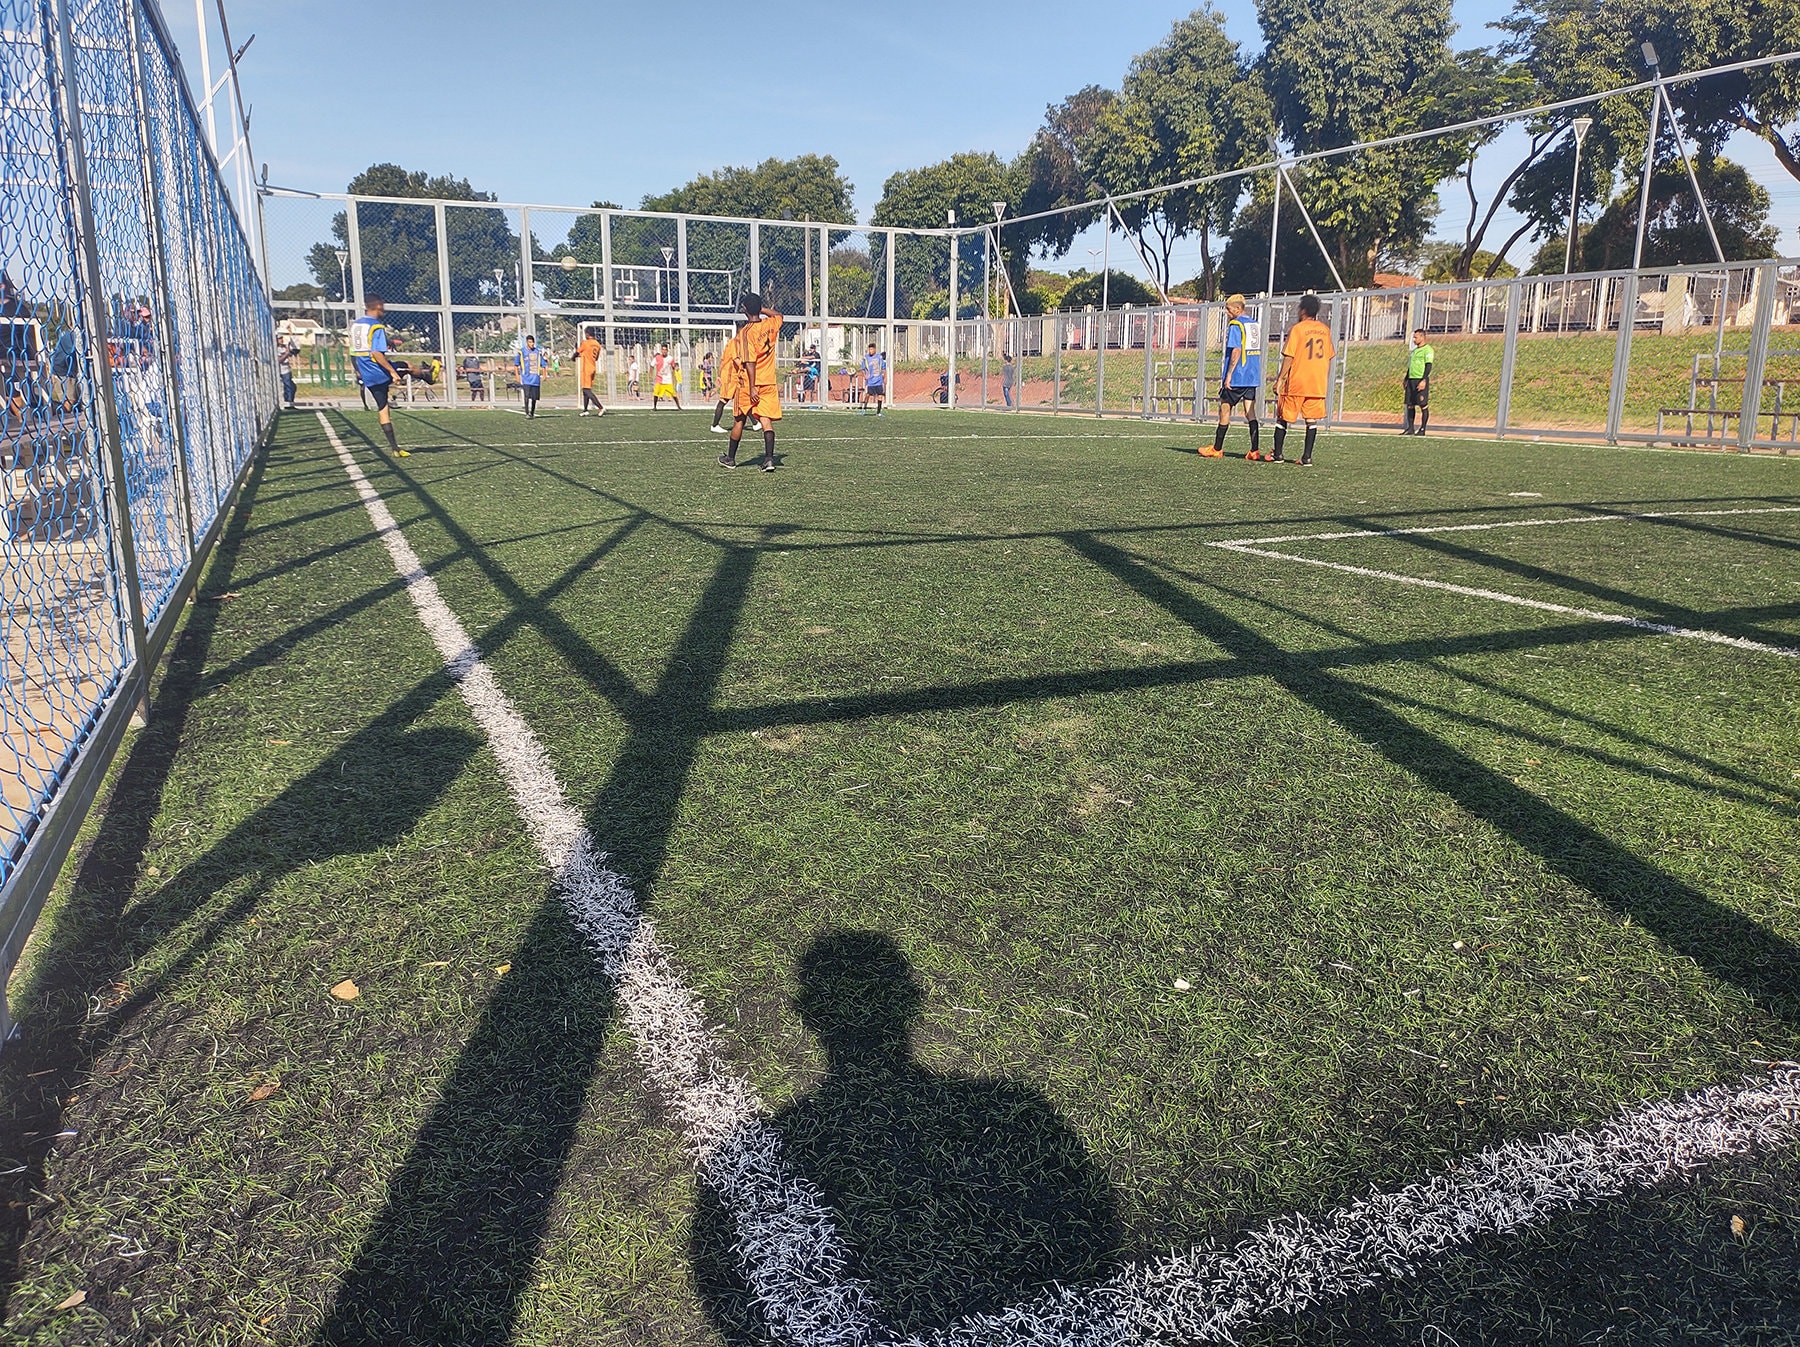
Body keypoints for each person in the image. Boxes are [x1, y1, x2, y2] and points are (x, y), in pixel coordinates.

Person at [719, 292, 782, 472]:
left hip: (749, 384)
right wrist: (762, 309)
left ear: (744, 309)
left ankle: (730, 458)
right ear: (759, 308)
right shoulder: (770, 323)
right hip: (768, 381)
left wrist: (753, 386)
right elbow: (779, 315)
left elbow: (750, 362)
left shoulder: (746, 332)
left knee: (739, 419)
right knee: (765, 419)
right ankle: (769, 459)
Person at [1273, 293, 1335, 467]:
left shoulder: (1298, 329)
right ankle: (1307, 457)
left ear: (1303, 310)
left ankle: (1278, 454)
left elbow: (1289, 356)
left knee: (1283, 417)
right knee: (1311, 420)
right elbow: (1329, 356)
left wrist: (1280, 379)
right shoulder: (1325, 330)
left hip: (1297, 381)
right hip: (1317, 383)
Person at [1203, 293, 1261, 459]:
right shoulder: (1254, 324)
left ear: (1237, 308)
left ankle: (1217, 448)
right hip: (1252, 374)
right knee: (1250, 412)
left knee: (1224, 409)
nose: (1226, 312)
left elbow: (1236, 350)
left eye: (1228, 309)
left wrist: (1229, 375)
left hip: (1238, 375)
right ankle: (1254, 450)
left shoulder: (1235, 324)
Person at [348, 296, 407, 457]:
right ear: (379, 306)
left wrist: (358, 369)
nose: (385, 310)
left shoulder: (356, 325)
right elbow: (376, 353)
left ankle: (395, 448)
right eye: (383, 306)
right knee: (408, 366)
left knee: (383, 407)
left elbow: (353, 351)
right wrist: (392, 372)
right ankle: (428, 377)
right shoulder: (376, 327)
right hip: (378, 370)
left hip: (366, 372)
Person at [712, 315, 750, 434]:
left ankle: (755, 423)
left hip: (735, 375)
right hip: (729, 375)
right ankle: (714, 425)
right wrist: (748, 368)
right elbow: (736, 360)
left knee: (743, 396)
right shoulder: (735, 343)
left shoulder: (740, 342)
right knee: (724, 399)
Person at [1402, 329, 1434, 436]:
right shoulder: (1414, 351)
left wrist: (1423, 380)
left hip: (1420, 380)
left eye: (1416, 337)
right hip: (1411, 380)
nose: (1414, 339)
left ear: (1422, 337)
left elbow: (1428, 366)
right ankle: (1410, 428)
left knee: (1422, 404)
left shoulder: (1428, 350)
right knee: (1410, 404)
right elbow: (1410, 366)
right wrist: (1406, 378)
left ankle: (1422, 429)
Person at [516, 334, 548, 418]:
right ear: (527, 342)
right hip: (526, 378)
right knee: (526, 395)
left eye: (533, 342)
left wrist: (544, 375)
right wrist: (517, 375)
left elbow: (544, 365)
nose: (532, 344)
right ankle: (527, 413)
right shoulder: (522, 352)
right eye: (530, 342)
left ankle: (532, 412)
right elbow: (516, 364)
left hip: (535, 379)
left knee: (534, 397)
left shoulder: (538, 352)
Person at [576, 329, 606, 415]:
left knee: (586, 389)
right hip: (593, 367)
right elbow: (595, 358)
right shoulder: (597, 344)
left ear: (587, 334)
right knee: (586, 390)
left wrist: (573, 357)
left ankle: (600, 407)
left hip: (586, 368)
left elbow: (577, 352)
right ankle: (585, 410)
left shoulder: (586, 343)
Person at [652, 342, 682, 410]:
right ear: (661, 350)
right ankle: (654, 407)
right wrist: (650, 373)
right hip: (659, 379)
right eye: (663, 350)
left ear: (667, 351)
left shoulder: (670, 358)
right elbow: (652, 365)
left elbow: (673, 366)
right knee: (656, 393)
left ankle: (679, 407)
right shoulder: (657, 358)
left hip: (668, 380)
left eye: (665, 350)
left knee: (673, 394)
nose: (664, 351)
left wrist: (674, 372)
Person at [861, 343, 886, 415]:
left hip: (879, 380)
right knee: (868, 395)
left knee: (880, 395)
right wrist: (865, 375)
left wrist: (885, 377)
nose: (870, 351)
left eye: (871, 349)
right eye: (869, 349)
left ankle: (878, 412)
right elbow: (863, 368)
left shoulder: (879, 357)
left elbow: (883, 368)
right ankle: (864, 409)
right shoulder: (866, 358)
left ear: (875, 349)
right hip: (870, 381)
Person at [278, 342, 297, 409]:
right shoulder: (276, 349)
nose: (281, 340)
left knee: (292, 387)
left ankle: (290, 403)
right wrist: (286, 354)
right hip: (282, 371)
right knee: (288, 387)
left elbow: (292, 354)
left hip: (287, 370)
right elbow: (279, 360)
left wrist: (289, 348)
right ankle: (288, 404)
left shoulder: (284, 347)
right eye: (279, 338)